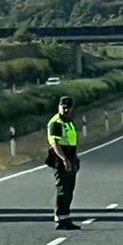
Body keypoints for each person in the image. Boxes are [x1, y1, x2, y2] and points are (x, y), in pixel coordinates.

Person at [46, 96, 81, 229]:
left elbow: (71, 141)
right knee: (62, 188)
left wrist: (74, 158)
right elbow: (55, 143)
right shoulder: (56, 122)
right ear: (59, 107)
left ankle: (66, 217)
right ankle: (61, 218)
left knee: (69, 188)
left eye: (68, 107)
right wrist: (64, 159)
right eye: (63, 107)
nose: (65, 110)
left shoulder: (68, 121)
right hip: (59, 157)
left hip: (70, 155)